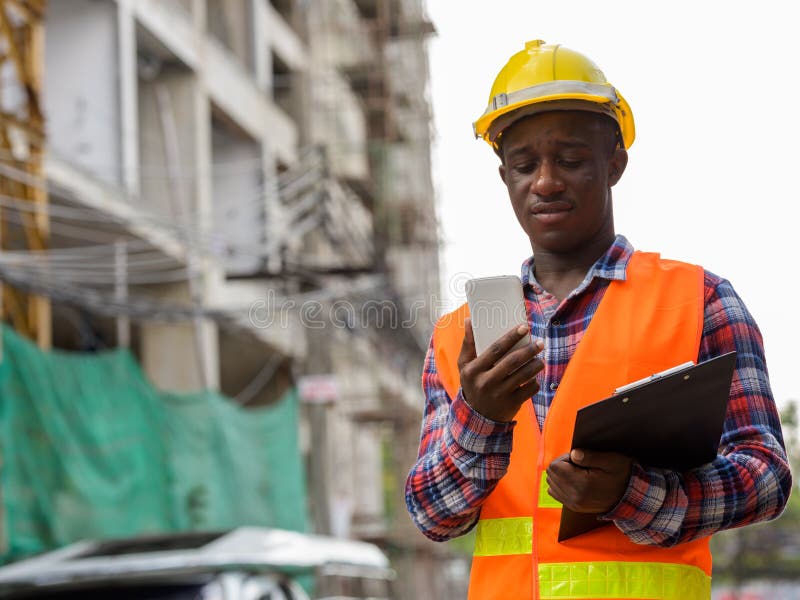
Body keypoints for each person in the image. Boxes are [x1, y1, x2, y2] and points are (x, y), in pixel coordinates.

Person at [405, 40, 792, 600]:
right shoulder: (457, 338)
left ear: (615, 162)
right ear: (504, 176)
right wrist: (481, 420)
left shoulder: (700, 300)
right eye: (524, 165)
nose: (545, 182)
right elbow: (432, 516)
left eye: (570, 160)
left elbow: (767, 479)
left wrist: (631, 495)